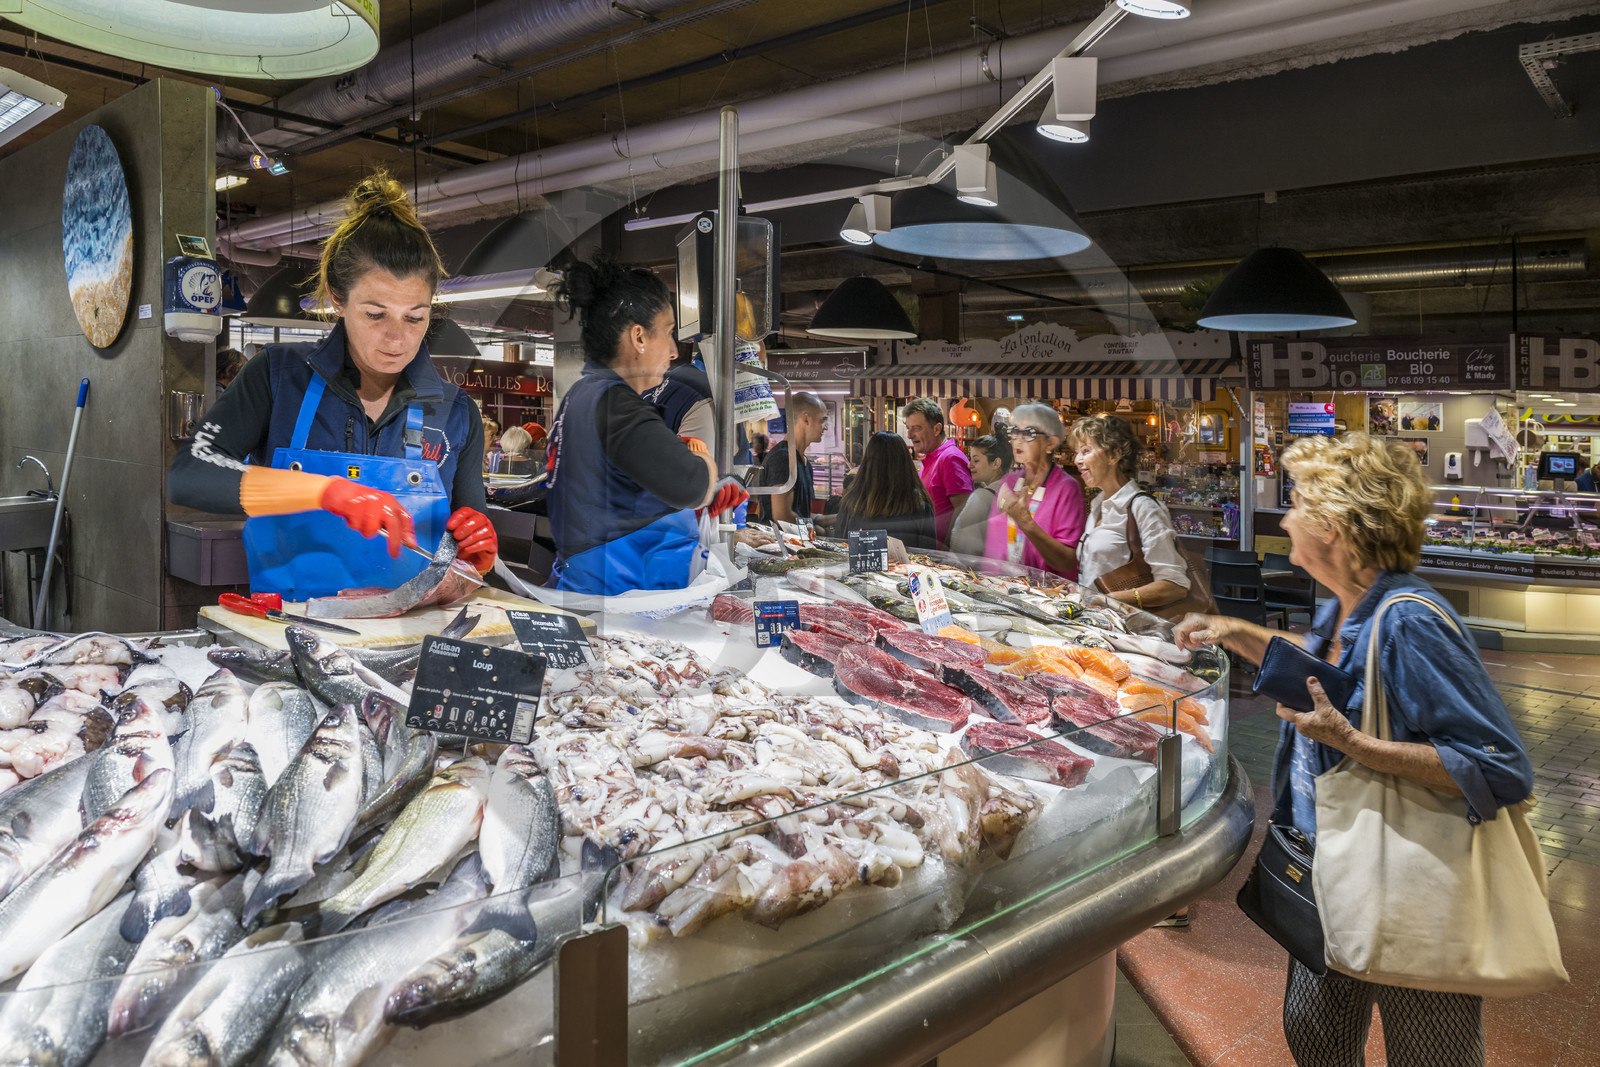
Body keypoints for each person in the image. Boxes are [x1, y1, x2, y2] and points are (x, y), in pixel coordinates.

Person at [1174, 432, 1534, 1067]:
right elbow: (1325, 674)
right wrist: (1238, 633)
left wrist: (1354, 744)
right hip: (1329, 872)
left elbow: (1501, 767)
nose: (1283, 519)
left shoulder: (1409, 621)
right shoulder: (1342, 607)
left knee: (1432, 1055)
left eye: (1297, 503)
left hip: (1411, 886)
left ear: (1335, 524)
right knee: (1315, 1036)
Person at [168, 170, 495, 600]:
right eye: (376, 315)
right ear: (337, 298)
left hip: (410, 635)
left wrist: (477, 556)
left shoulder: (456, 413)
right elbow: (189, 474)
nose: (398, 338)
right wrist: (325, 491)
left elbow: (462, 556)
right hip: (292, 633)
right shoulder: (278, 376)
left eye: (415, 317)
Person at [544, 255, 746, 595]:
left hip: (598, 591)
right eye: (667, 334)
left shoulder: (584, 394)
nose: (672, 351)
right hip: (619, 604)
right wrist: (704, 467)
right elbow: (692, 484)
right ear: (638, 337)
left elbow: (616, 495)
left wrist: (683, 498)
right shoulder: (615, 404)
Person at [1070, 414, 1191, 612]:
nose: (1077, 460)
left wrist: (1110, 600)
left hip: (1128, 630)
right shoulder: (1098, 506)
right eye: (1076, 452)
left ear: (1113, 455)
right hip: (1095, 623)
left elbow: (1175, 585)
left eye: (1086, 451)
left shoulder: (1144, 507)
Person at [982, 405, 1085, 580]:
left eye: (1028, 433)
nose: (1018, 440)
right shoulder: (1008, 483)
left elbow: (1066, 561)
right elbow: (992, 547)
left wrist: (1025, 522)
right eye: (1014, 432)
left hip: (1048, 597)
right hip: (1004, 589)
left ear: (1050, 443)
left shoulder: (1066, 488)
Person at [832, 431, 936, 551]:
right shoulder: (919, 504)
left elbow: (840, 547)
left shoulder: (852, 501)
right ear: (904, 462)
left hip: (858, 569)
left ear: (868, 462)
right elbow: (929, 554)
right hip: (908, 569)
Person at [903, 397, 972, 549]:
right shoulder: (931, 458)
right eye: (908, 428)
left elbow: (964, 509)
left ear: (936, 429)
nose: (909, 435)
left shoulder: (950, 458)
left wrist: (945, 550)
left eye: (916, 428)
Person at [755, 392, 826, 526]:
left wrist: (834, 519)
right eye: (822, 420)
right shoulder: (782, 459)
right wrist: (817, 532)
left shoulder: (804, 463)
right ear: (806, 419)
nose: (825, 426)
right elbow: (783, 517)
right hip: (780, 545)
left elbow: (802, 515)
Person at [949, 432, 1010, 557]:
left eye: (976, 460)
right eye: (970, 458)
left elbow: (960, 545)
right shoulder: (1013, 491)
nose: (969, 464)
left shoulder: (981, 497)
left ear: (996, 463)